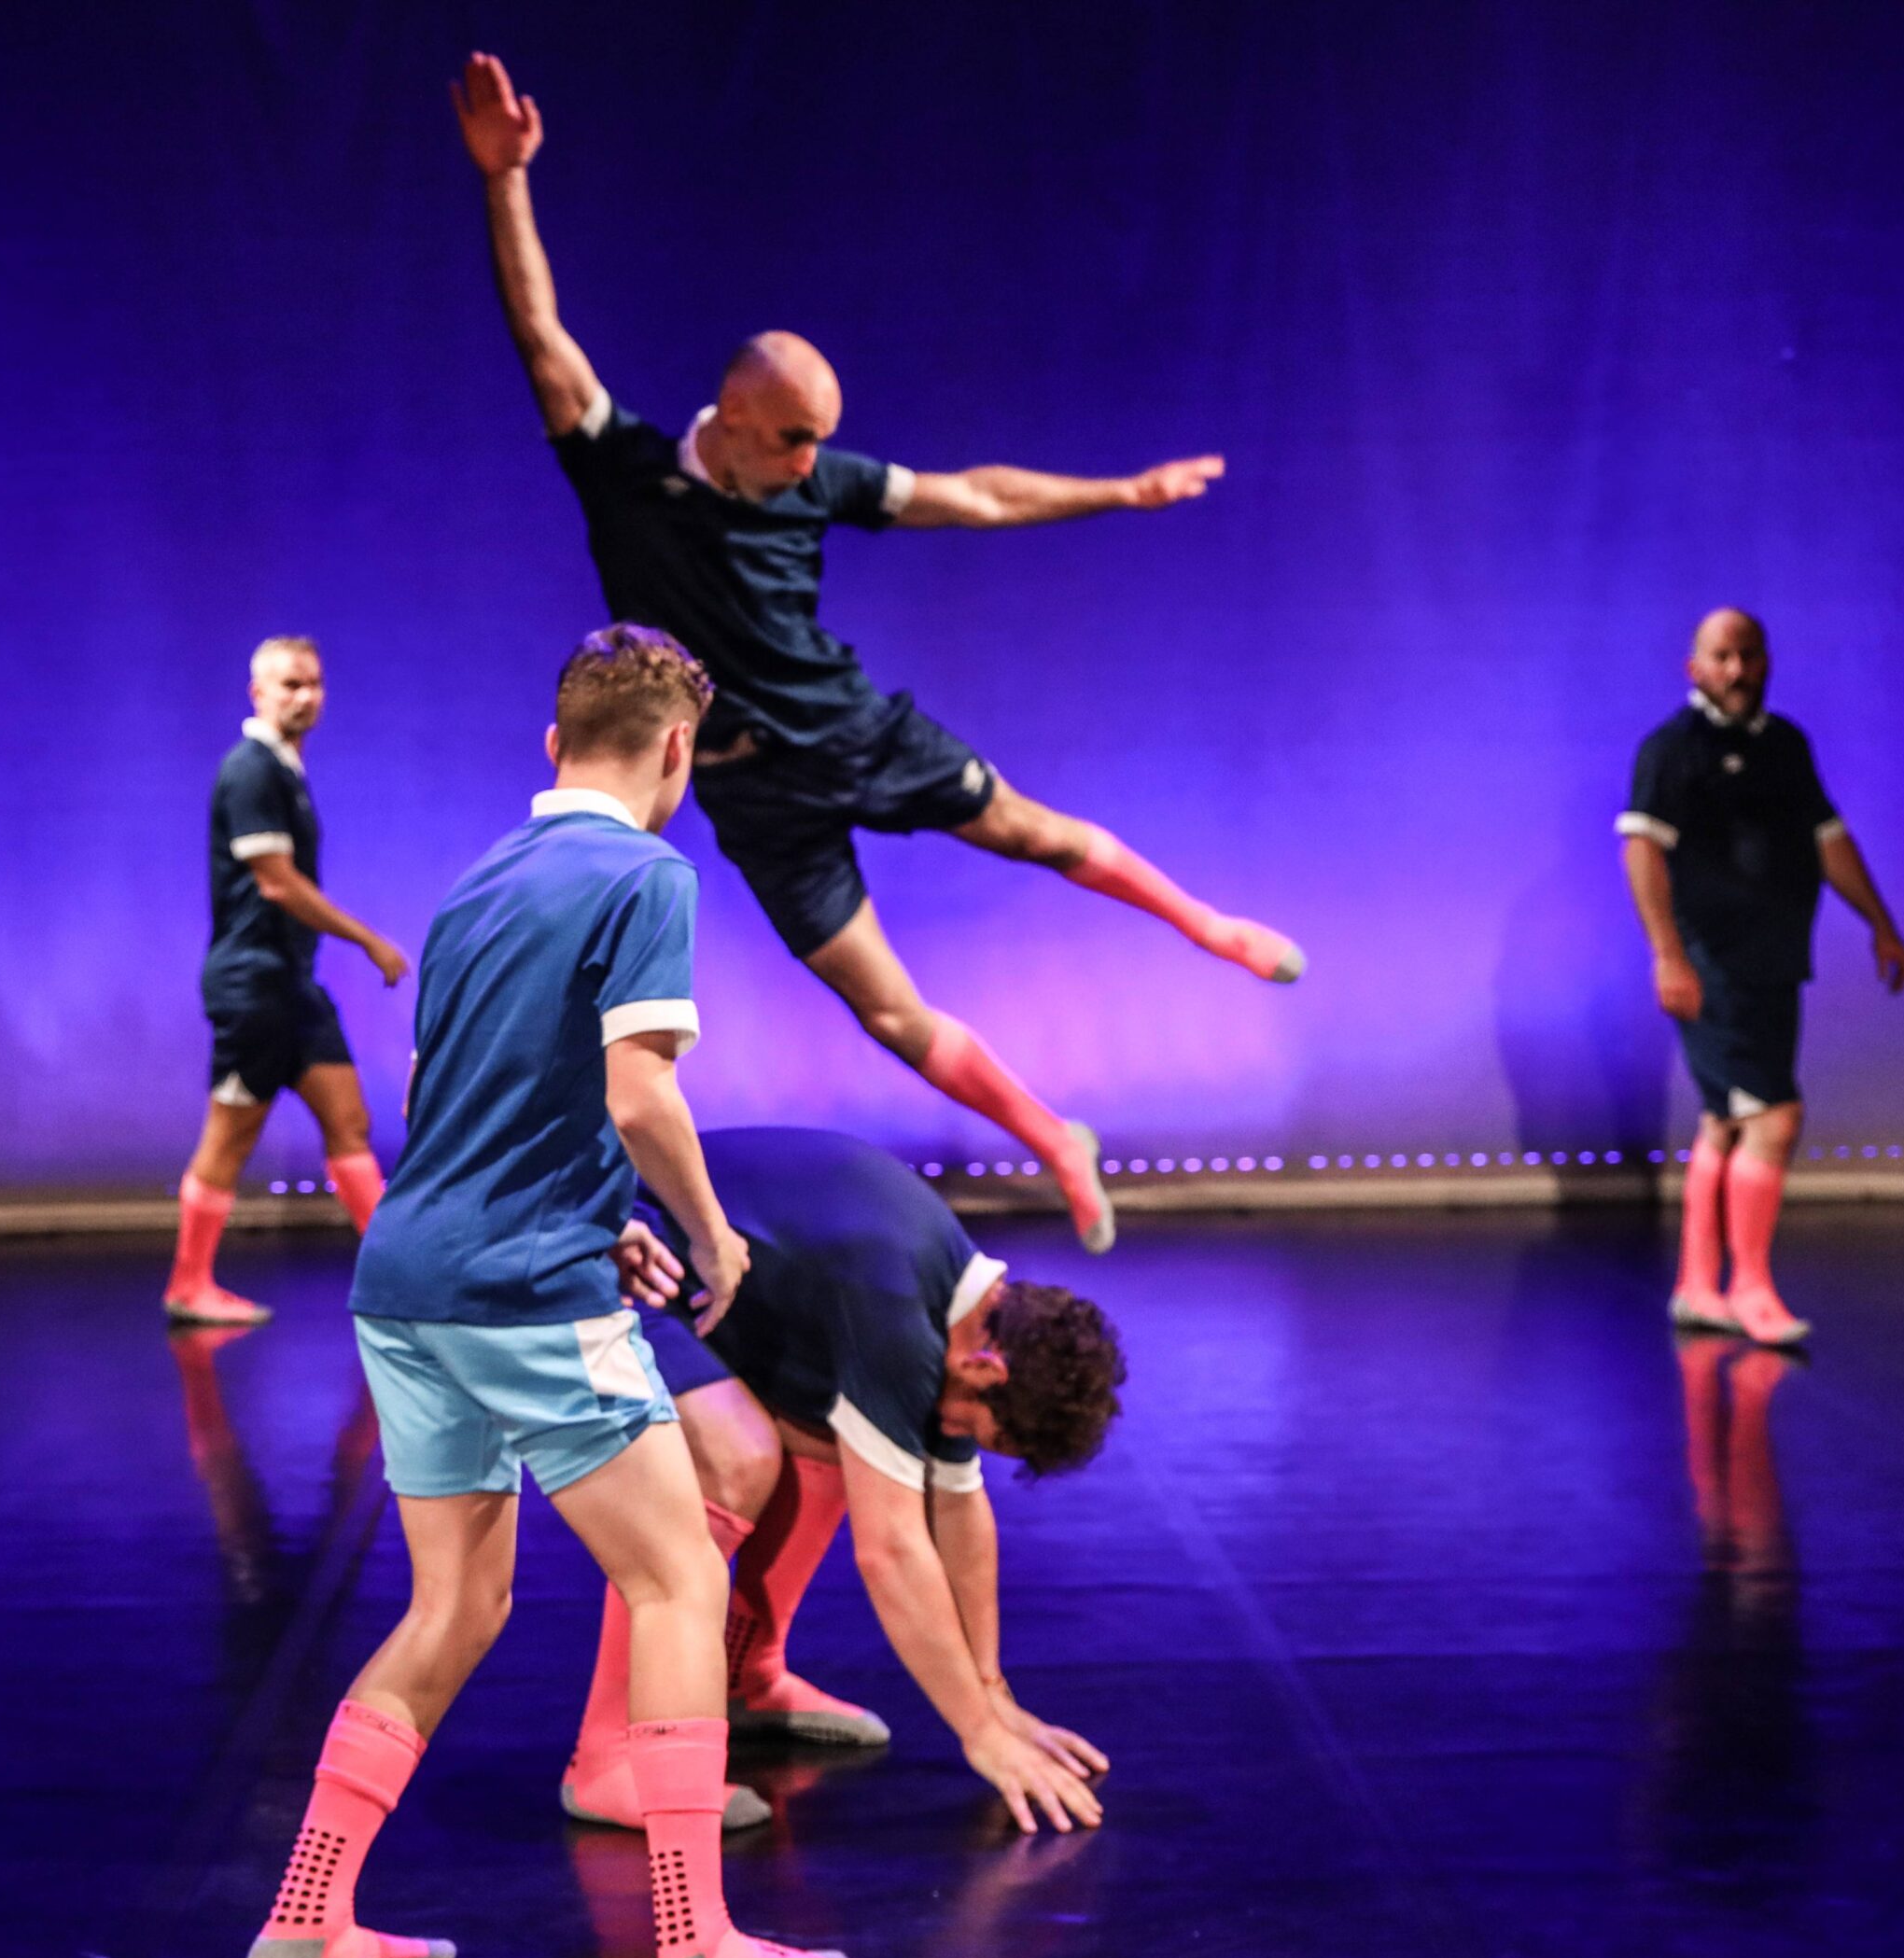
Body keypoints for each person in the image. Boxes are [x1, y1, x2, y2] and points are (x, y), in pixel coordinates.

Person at [450, 52, 1305, 1255]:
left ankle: (1205, 923)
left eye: (821, 445)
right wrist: (505, 181)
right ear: (734, 417)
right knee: (891, 1016)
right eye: (795, 441)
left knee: (1040, 836)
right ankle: (1056, 1136)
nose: (812, 464)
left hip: (851, 727)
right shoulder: (624, 466)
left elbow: (977, 499)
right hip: (754, 792)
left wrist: (1122, 491)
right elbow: (539, 332)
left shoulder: (818, 476)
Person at [245, 624, 860, 1958]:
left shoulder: (473, 888)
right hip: (524, 1296)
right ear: (676, 754)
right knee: (679, 1582)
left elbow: (470, 1108)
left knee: (454, 1605)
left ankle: (306, 1919)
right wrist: (708, 1234)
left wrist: (598, 1216)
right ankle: (698, 1946)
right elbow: (639, 1094)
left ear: (551, 747)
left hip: (407, 1287)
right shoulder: (646, 872)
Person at [560, 1126, 1124, 1840]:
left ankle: (745, 1680)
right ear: (989, 1372)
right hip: (601, 1252)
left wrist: (993, 1692)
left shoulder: (966, 1313)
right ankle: (610, 1756)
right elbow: (890, 1551)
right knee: (736, 1457)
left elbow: (957, 1505)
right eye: (979, 1428)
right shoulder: (896, 1300)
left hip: (693, 1278)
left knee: (830, 1450)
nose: (950, 1434)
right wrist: (977, 1734)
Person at [1618, 608, 1904, 1347]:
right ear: (1695, 669)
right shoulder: (1672, 750)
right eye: (1723, 656)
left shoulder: (1785, 746)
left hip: (1774, 961)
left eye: (1749, 654)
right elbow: (1643, 851)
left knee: (1727, 1120)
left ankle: (1696, 1285)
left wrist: (1878, 920)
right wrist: (1667, 954)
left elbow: (1826, 836)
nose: (1738, 669)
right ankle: (1749, 1288)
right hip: (1711, 965)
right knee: (1774, 1118)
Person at [165, 636, 411, 1326]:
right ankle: (189, 1285)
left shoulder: (285, 771)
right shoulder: (250, 771)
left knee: (350, 1123)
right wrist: (367, 940)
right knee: (231, 1139)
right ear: (258, 694)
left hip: (293, 987)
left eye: (313, 683)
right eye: (289, 685)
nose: (304, 696)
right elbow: (276, 883)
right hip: (253, 987)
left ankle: (398, 1282)